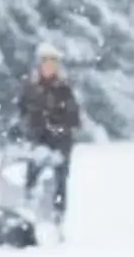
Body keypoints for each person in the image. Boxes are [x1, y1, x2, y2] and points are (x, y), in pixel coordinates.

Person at [15, 46, 83, 225]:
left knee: (60, 178)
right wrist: (27, 131)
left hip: (60, 140)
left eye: (53, 63)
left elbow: (73, 116)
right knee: (33, 172)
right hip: (37, 138)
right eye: (46, 63)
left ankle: (57, 215)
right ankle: (27, 211)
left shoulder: (64, 89)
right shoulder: (31, 87)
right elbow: (22, 112)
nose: (49, 67)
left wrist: (61, 130)